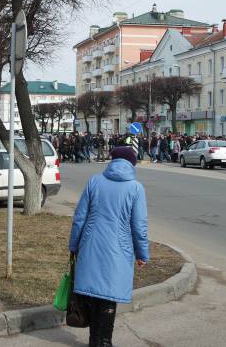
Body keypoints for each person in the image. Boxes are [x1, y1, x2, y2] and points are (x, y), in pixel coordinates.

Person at [69, 146, 149, 347]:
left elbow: (79, 218)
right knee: (108, 295)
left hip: (90, 245)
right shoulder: (136, 188)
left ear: (112, 160)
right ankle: (104, 342)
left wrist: (74, 245)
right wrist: (142, 254)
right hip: (119, 250)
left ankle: (94, 341)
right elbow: (139, 225)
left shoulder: (94, 181)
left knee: (93, 293)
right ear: (132, 164)